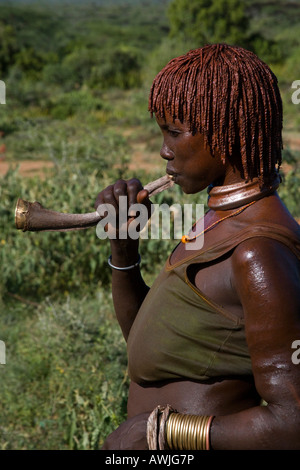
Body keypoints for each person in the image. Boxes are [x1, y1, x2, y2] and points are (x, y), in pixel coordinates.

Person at [95, 43, 300, 450]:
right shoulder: (219, 221)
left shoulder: (257, 251)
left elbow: (292, 422)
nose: (163, 150)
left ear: (225, 131)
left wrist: (159, 432)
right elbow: (148, 346)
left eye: (174, 132)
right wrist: (124, 252)